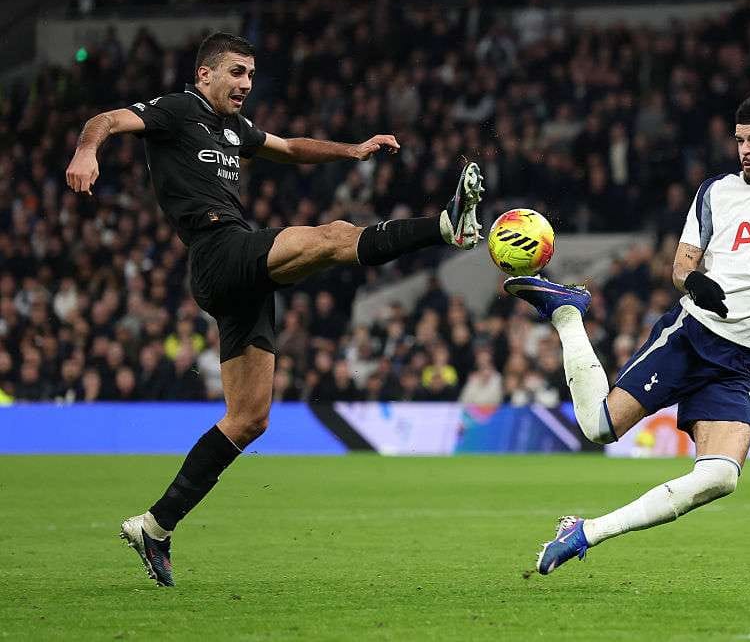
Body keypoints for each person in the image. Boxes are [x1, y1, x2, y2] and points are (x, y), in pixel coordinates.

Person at [64, 33, 485, 587]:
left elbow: (289, 147)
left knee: (249, 419)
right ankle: (444, 226)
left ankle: (155, 526)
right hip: (216, 253)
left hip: (241, 279)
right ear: (205, 76)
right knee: (333, 236)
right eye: (236, 72)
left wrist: (352, 150)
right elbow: (107, 120)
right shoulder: (177, 110)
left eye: (251, 75)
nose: (245, 84)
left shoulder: (236, 129)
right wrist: (85, 150)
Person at [504, 43, 750, 575]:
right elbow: (680, 266)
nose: (745, 149)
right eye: (739, 140)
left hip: (735, 361)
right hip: (691, 336)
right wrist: (696, 283)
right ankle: (568, 315)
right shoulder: (715, 192)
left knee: (720, 477)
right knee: (599, 428)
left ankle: (585, 532)